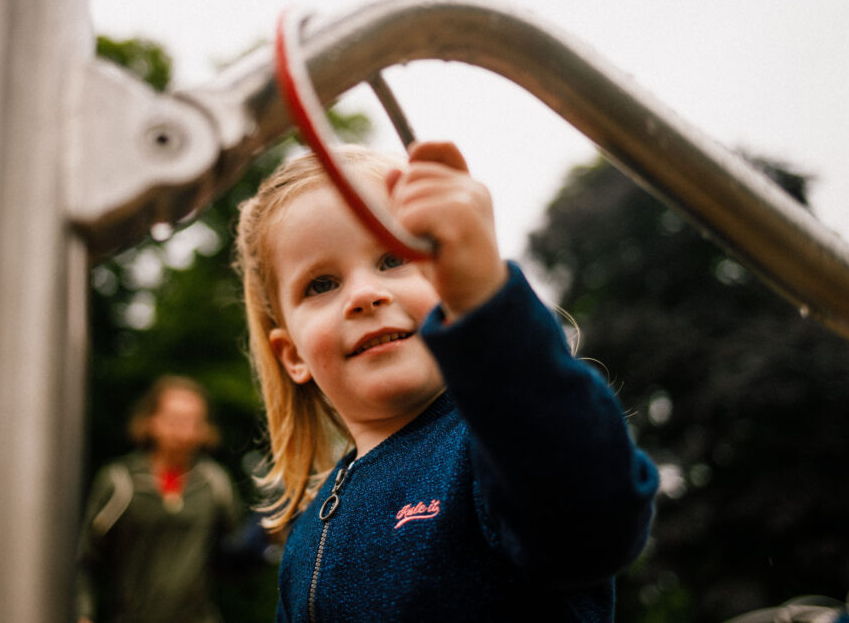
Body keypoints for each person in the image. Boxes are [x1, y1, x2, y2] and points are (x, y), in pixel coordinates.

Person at [233, 141, 660, 621]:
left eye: (394, 257)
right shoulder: (306, 537)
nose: (365, 294)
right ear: (292, 356)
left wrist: (485, 298)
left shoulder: (494, 448)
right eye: (321, 284)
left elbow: (593, 520)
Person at [76, 375, 241, 623]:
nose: (183, 431)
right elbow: (85, 561)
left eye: (192, 421)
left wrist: (268, 536)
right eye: (174, 419)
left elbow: (234, 561)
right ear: (150, 421)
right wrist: (83, 614)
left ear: (205, 429)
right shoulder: (120, 482)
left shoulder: (215, 484)